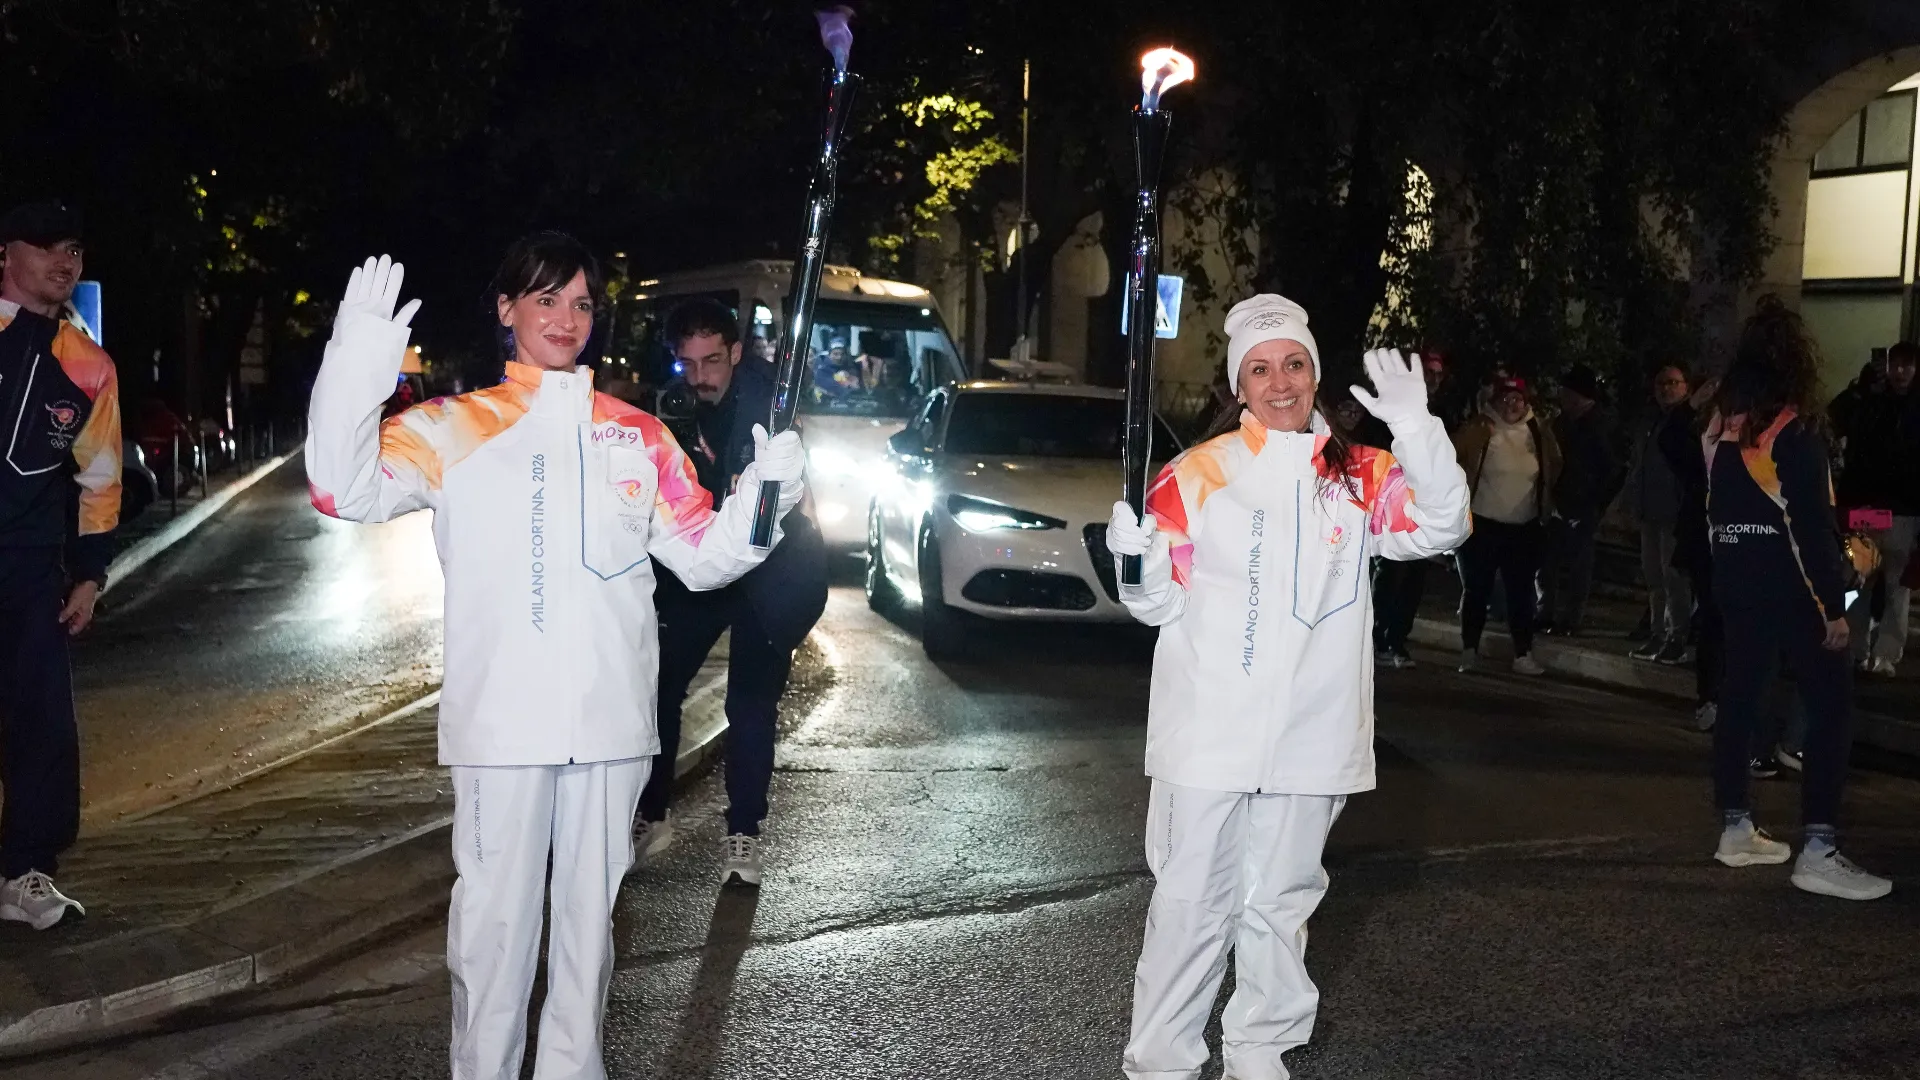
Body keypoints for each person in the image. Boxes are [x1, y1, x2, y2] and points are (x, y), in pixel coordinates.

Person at [304, 239, 807, 1077]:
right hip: (501, 725)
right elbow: (339, 487)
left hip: (609, 723)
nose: (566, 320)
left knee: (587, 934)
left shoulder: (639, 436)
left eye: (580, 304)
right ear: (507, 310)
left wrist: (766, 498)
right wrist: (355, 365)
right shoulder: (452, 426)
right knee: (494, 932)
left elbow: (706, 556)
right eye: (545, 299)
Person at [1105, 294, 1471, 1080]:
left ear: (1314, 374)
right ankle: (1161, 1064)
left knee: (1281, 903)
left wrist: (1417, 429)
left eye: (1295, 365)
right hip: (1208, 734)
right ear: (1239, 384)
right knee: (1190, 906)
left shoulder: (1361, 474)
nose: (1280, 383)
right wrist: (1135, 562)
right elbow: (1156, 603)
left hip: (1314, 734)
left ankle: (1259, 1052)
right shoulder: (1196, 474)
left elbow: (1444, 525)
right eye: (1262, 369)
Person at [634, 298, 827, 886]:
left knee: (749, 701)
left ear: (736, 352)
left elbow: (784, 486)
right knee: (657, 685)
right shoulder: (672, 407)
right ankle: (651, 814)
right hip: (701, 566)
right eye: (687, 364)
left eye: (713, 361)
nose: (701, 377)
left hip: (773, 570)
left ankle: (744, 834)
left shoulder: (773, 403)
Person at [1703, 298, 1889, 901]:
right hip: (1794, 590)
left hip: (1736, 583)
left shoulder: (1720, 428)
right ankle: (1818, 850)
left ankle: (1736, 827)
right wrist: (1834, 608)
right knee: (1831, 708)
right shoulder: (1791, 432)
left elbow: (1714, 513)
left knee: (1739, 697)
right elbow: (1810, 528)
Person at [0, 201, 120, 931]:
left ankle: (24, 874)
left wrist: (90, 573)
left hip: (28, 570)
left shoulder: (87, 363)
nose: (63, 261)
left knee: (41, 723)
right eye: (45, 245)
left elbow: (100, 478)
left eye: (72, 247)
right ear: (6, 254)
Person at [1452, 376, 1560, 675]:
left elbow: (1555, 465)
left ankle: (1523, 653)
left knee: (1521, 592)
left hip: (1524, 526)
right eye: (1505, 398)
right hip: (1482, 523)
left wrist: (1545, 505)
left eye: (1518, 399)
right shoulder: (1479, 428)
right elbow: (1451, 457)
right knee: (1477, 589)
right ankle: (1469, 651)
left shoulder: (1539, 432)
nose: (1512, 405)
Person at [1835, 341, 1919, 676]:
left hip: (1901, 509)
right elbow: (1837, 417)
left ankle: (1883, 653)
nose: (1899, 372)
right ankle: (1858, 647)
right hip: (1871, 506)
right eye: (1894, 364)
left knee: (1895, 585)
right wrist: (1861, 388)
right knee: (1859, 580)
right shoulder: (1871, 401)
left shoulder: (1892, 405)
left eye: (1906, 365)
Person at [1370, 351, 1456, 669]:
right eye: (1428, 372)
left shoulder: (1441, 412)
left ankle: (1397, 639)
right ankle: (1378, 638)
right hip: (1392, 498)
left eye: (1438, 374)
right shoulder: (1391, 405)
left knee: (1415, 575)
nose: (1434, 380)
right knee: (1391, 571)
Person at [1658, 375, 1724, 732]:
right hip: (1707, 539)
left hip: (1746, 541)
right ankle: (1709, 698)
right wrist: (1691, 406)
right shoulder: (1702, 447)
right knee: (1714, 616)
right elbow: (1669, 442)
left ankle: (1727, 697)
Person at [1539, 364, 1620, 635]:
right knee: (1547, 562)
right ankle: (1545, 612)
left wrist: (1595, 503)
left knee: (1578, 565)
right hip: (1558, 501)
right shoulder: (1562, 423)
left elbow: (1611, 469)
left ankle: (1570, 619)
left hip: (1583, 504)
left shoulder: (1600, 426)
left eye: (1565, 392)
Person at [1626, 364, 1693, 664]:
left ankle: (1676, 637)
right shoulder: (1651, 420)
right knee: (1654, 576)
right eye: (1661, 383)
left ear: (1686, 386)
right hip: (1649, 510)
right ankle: (1658, 633)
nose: (1666, 389)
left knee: (1674, 578)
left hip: (1674, 513)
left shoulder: (1688, 421)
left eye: (1673, 383)